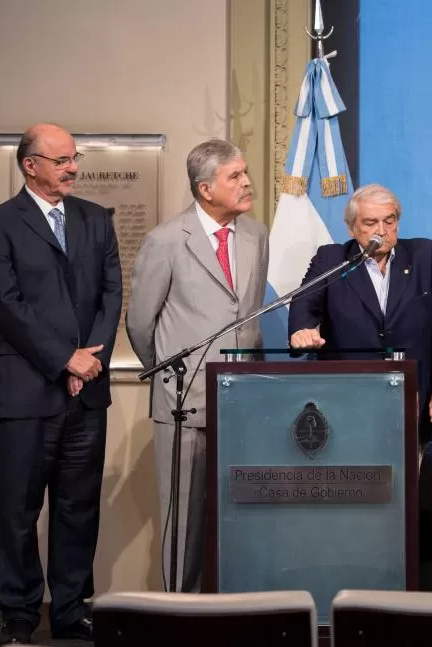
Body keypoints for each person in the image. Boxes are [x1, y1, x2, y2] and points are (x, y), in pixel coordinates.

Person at [0, 123, 122, 645]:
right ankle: (18, 615)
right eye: (61, 160)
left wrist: (90, 360)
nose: (73, 167)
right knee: (18, 511)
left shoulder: (95, 220)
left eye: (73, 158)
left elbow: (111, 294)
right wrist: (66, 360)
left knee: (78, 508)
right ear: (29, 165)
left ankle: (70, 609)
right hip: (23, 392)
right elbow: (6, 304)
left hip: (88, 391)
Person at [126, 139, 269, 593]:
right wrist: (169, 377)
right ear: (205, 189)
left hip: (244, 403)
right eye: (235, 176)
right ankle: (180, 618)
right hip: (184, 405)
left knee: (241, 520)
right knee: (184, 523)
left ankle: (235, 613)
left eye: (245, 173)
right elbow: (140, 323)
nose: (247, 183)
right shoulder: (165, 240)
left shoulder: (255, 235)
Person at [287, 183, 432, 427]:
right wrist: (302, 329)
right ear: (351, 228)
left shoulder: (425, 255)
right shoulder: (331, 259)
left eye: (389, 221)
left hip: (410, 403)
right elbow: (304, 302)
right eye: (370, 223)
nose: (381, 231)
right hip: (346, 405)